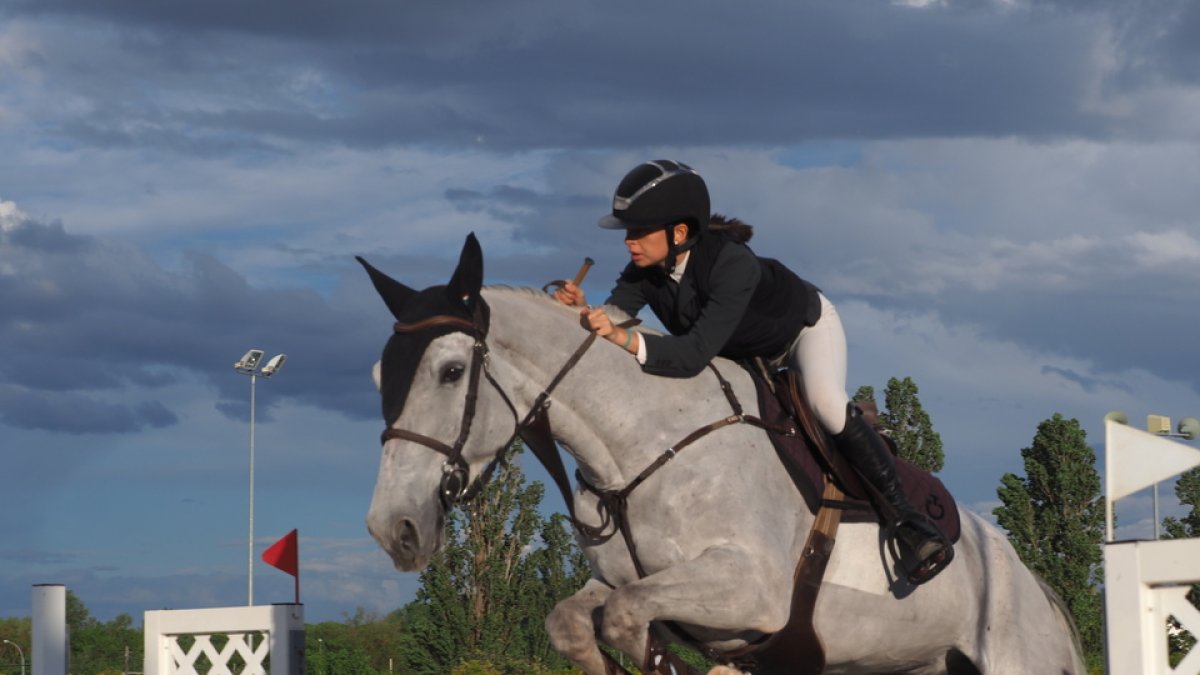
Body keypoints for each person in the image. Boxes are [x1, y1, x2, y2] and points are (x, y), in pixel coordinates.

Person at [554, 159, 953, 584]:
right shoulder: (645, 270)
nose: (630, 242)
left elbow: (689, 355)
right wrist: (582, 309)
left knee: (826, 404)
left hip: (801, 334)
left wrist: (622, 339)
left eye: (639, 232)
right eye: (628, 233)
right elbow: (616, 318)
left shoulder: (731, 264)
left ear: (680, 233)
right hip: (739, 356)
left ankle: (909, 521)